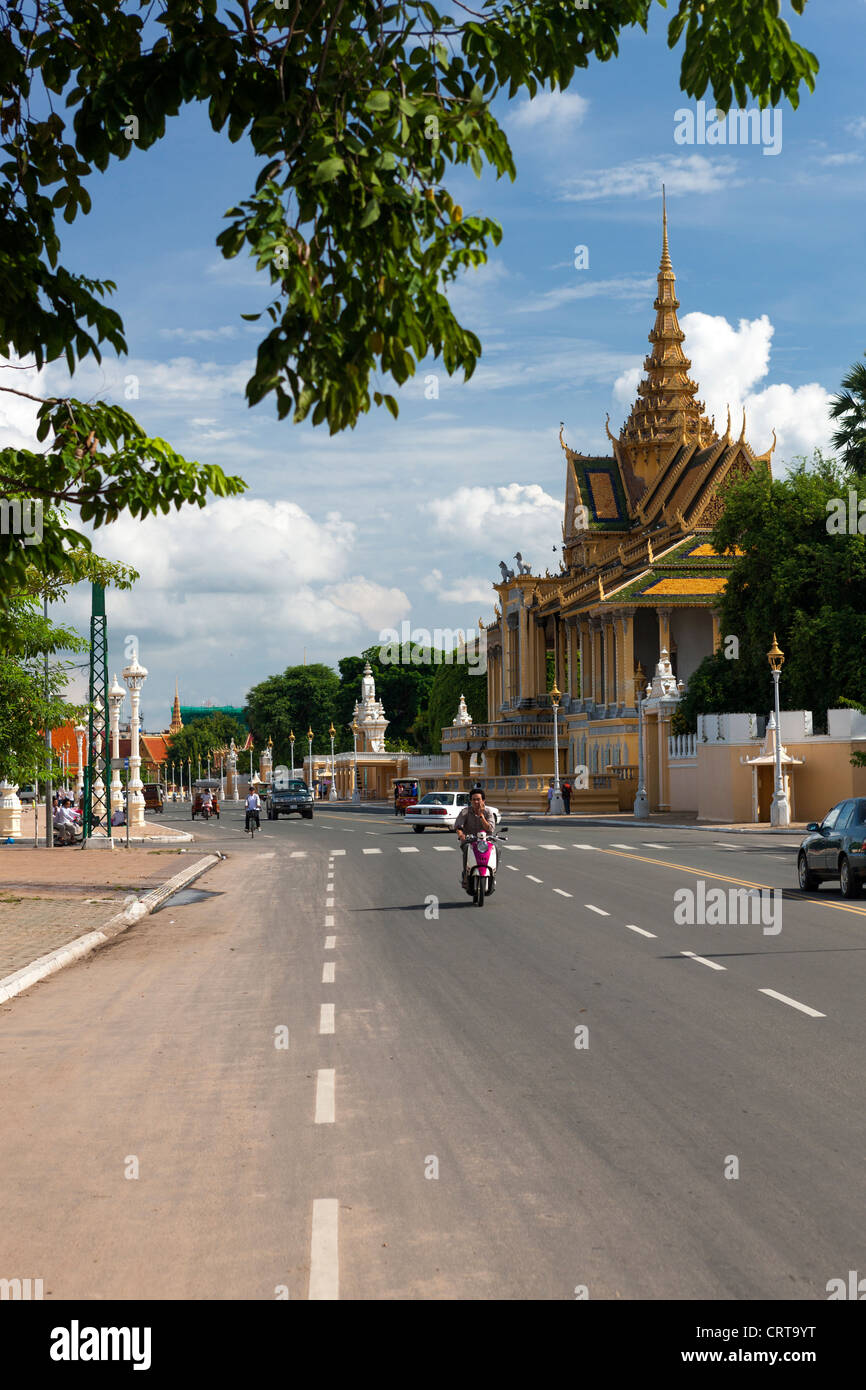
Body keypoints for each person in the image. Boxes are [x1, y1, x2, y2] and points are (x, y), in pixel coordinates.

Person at [455, 787, 494, 889]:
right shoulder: (465, 811)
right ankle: (466, 876)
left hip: (485, 841)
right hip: (470, 841)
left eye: (478, 799)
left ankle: (493, 874)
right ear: (470, 801)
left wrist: (481, 815)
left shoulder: (488, 812)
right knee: (466, 849)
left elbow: (490, 829)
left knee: (496, 849)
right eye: (474, 799)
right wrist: (461, 835)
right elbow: (458, 826)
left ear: (483, 801)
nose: (476, 802)